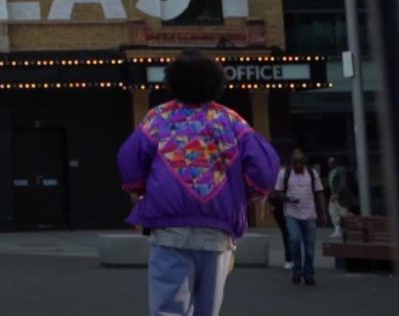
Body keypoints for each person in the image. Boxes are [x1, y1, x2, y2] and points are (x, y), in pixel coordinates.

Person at [120, 50, 279, 316]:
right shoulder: (231, 121)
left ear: (172, 82)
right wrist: (247, 195)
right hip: (216, 228)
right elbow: (263, 168)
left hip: (169, 226)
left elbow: (130, 163)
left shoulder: (157, 118)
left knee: (168, 309)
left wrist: (139, 190)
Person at [275, 149, 329, 286]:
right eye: (295, 163)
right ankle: (297, 270)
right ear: (291, 163)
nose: (298, 166)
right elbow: (277, 192)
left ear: (304, 162)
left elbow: (319, 192)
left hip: (309, 214)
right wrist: (288, 198)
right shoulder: (284, 173)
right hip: (292, 213)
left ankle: (309, 273)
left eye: (300, 163)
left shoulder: (312, 173)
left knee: (309, 246)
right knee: (294, 240)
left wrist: (323, 212)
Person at [274, 156, 294, 269]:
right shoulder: (284, 174)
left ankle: (289, 258)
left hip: (279, 206)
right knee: (288, 232)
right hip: (284, 205)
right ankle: (290, 258)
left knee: (287, 232)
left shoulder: (276, 173)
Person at [326, 157, 348, 239]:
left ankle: (349, 227)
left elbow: (343, 183)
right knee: (333, 212)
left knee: (344, 213)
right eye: (329, 162)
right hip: (334, 194)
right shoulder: (331, 172)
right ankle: (337, 230)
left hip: (340, 195)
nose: (330, 164)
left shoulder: (340, 170)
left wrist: (338, 193)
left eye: (332, 162)